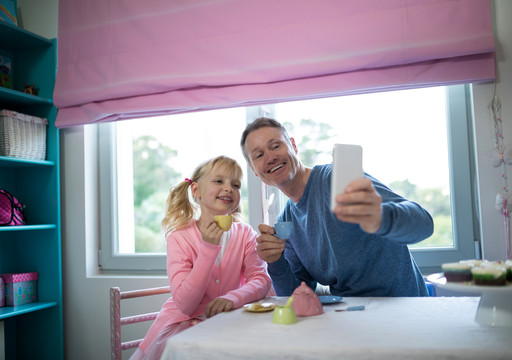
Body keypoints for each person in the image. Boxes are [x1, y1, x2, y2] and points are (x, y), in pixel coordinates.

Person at [240, 117, 434, 297]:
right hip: (349, 319)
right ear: (254, 171)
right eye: (259, 155)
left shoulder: (334, 179)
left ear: (293, 145)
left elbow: (424, 224)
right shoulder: (286, 222)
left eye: (275, 146)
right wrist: (275, 262)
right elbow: (297, 295)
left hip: (401, 309)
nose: (270, 157)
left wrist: (381, 217)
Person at [131, 156, 271, 360]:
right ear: (196, 190)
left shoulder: (245, 233)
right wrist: (208, 247)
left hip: (227, 323)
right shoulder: (179, 238)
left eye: (236, 184)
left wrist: (232, 298)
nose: (228, 188)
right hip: (182, 327)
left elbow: (261, 280)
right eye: (218, 181)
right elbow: (186, 305)